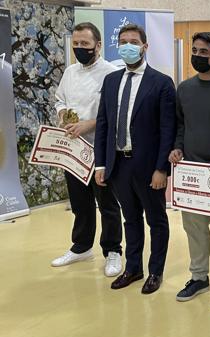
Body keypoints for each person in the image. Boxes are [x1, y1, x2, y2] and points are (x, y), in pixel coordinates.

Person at [94, 24, 176, 295]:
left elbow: (168, 130)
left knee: (156, 220)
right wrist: (101, 164)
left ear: (145, 46)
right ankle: (133, 268)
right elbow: (103, 124)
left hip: (149, 167)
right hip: (118, 165)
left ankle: (155, 272)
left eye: (133, 41)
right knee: (130, 219)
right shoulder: (111, 81)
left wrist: (162, 168)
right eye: (122, 41)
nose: (127, 46)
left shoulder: (161, 83)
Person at [168, 32, 210, 307]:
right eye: (194, 50)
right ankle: (198, 277)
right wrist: (177, 148)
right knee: (194, 229)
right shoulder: (184, 88)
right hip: (191, 173)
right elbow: (181, 126)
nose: (197, 55)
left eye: (203, 52)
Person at [51, 23, 123, 277]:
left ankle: (113, 250)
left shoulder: (112, 73)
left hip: (100, 149)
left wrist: (88, 124)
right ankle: (81, 246)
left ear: (98, 45)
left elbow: (115, 114)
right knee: (80, 202)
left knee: (107, 203)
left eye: (85, 44)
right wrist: (62, 115)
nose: (80, 49)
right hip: (72, 150)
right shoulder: (70, 72)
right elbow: (60, 99)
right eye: (76, 45)